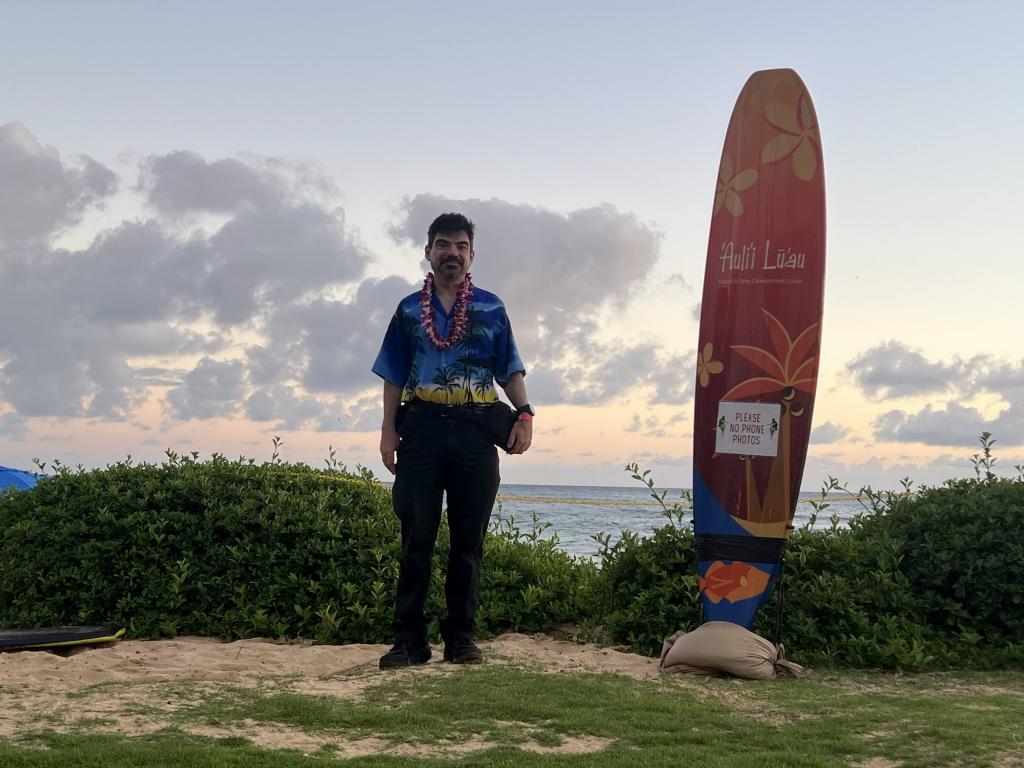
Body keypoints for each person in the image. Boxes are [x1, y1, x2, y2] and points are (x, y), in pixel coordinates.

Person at [372, 212, 534, 669]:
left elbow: (510, 368)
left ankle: (460, 637)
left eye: (461, 245)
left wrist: (525, 413)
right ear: (428, 252)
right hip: (420, 427)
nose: (452, 252)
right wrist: (388, 429)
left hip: (474, 430)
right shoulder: (408, 310)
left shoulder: (491, 307)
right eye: (443, 244)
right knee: (415, 536)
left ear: (471, 255)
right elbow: (393, 373)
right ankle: (409, 640)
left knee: (468, 540)